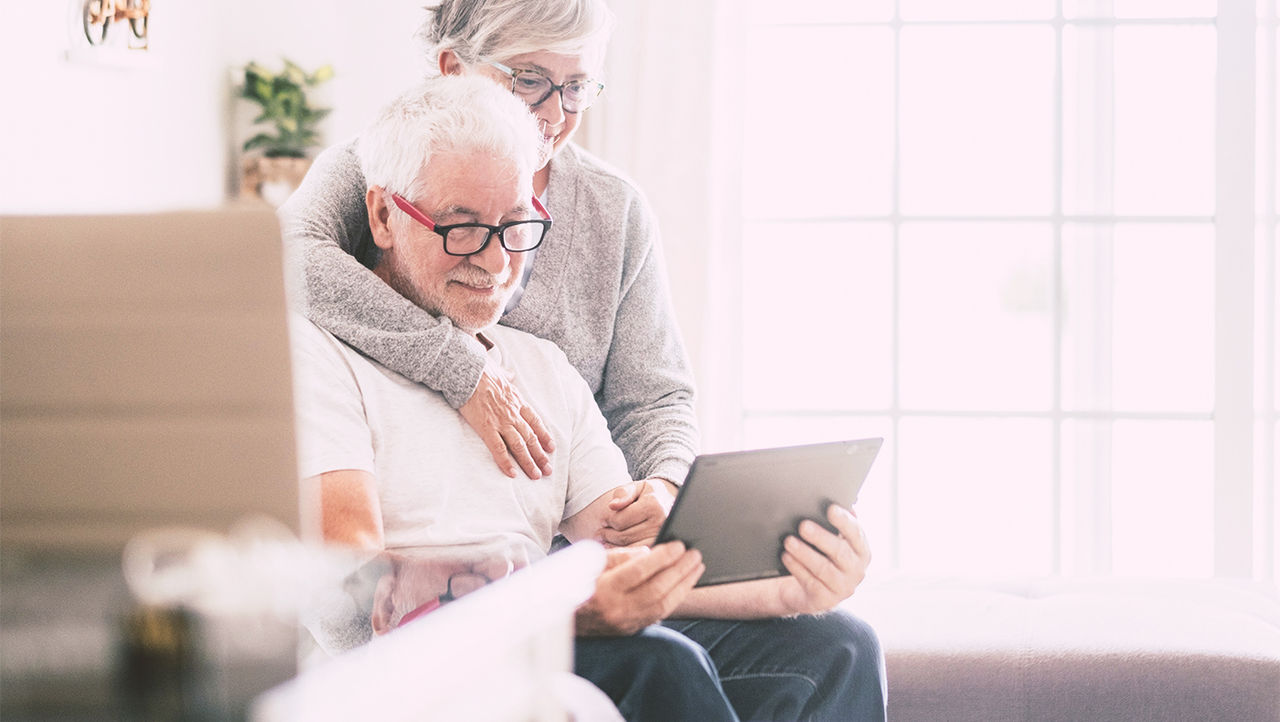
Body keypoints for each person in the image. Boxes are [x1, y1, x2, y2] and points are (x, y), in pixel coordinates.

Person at [292, 73, 885, 721]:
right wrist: (557, 604)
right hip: (415, 665)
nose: (494, 265)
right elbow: (347, 583)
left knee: (837, 646)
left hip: (542, 629)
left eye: (516, 224)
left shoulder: (541, 370)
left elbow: (632, 558)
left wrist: (788, 587)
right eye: (461, 228)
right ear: (382, 214)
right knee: (659, 662)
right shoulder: (319, 355)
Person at [279, 0, 695, 524]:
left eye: (577, 87)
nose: (556, 114)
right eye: (529, 80)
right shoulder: (382, 168)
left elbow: (655, 399)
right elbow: (288, 260)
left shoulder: (615, 209)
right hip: (412, 541)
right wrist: (465, 369)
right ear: (452, 70)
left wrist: (662, 485)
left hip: (567, 539)